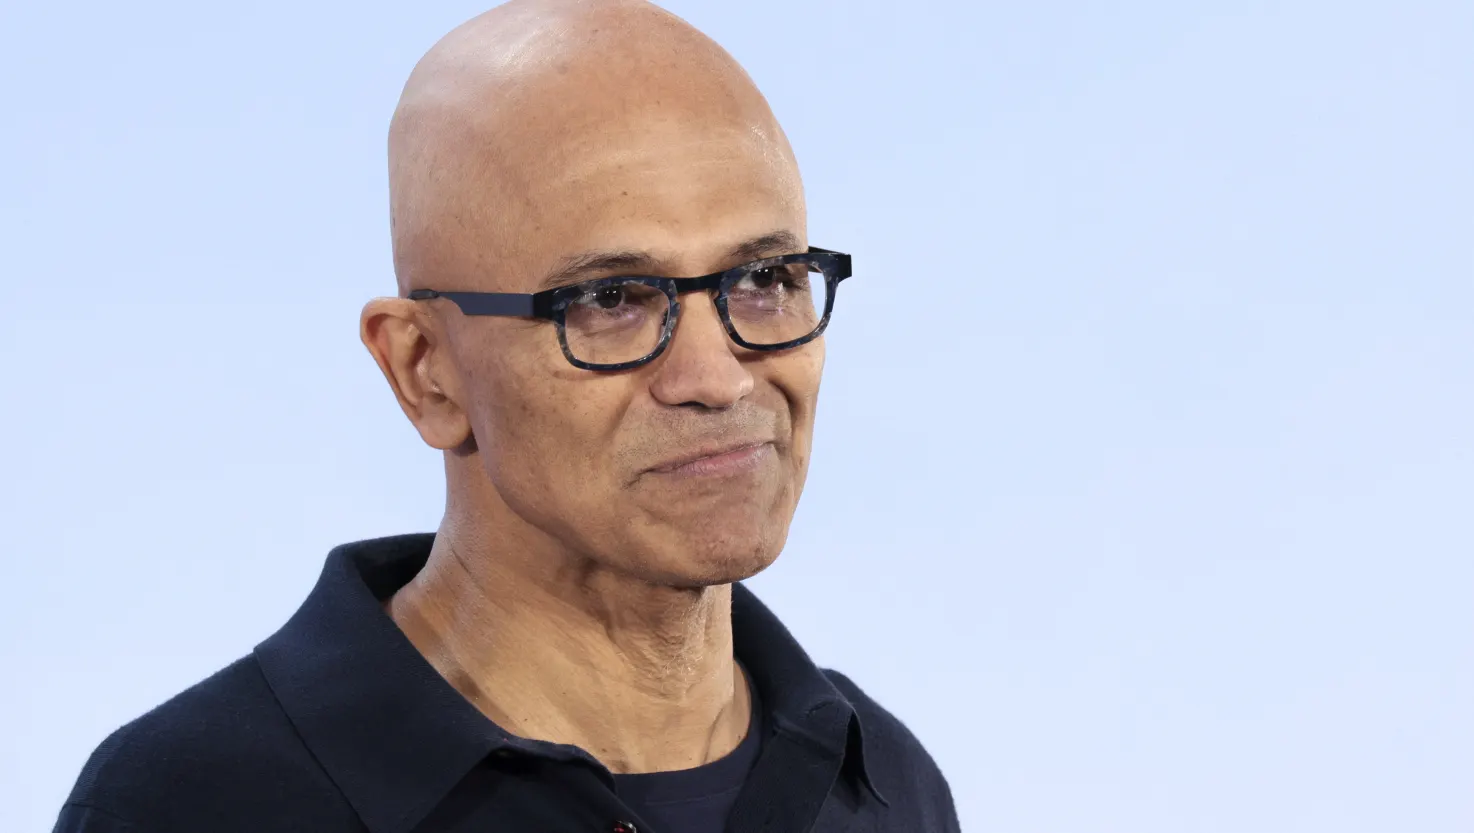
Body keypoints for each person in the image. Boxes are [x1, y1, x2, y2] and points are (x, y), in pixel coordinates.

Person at [53, 1, 960, 831]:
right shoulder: (193, 805)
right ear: (425, 370)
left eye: (765, 279)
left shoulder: (884, 785)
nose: (716, 377)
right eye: (611, 299)